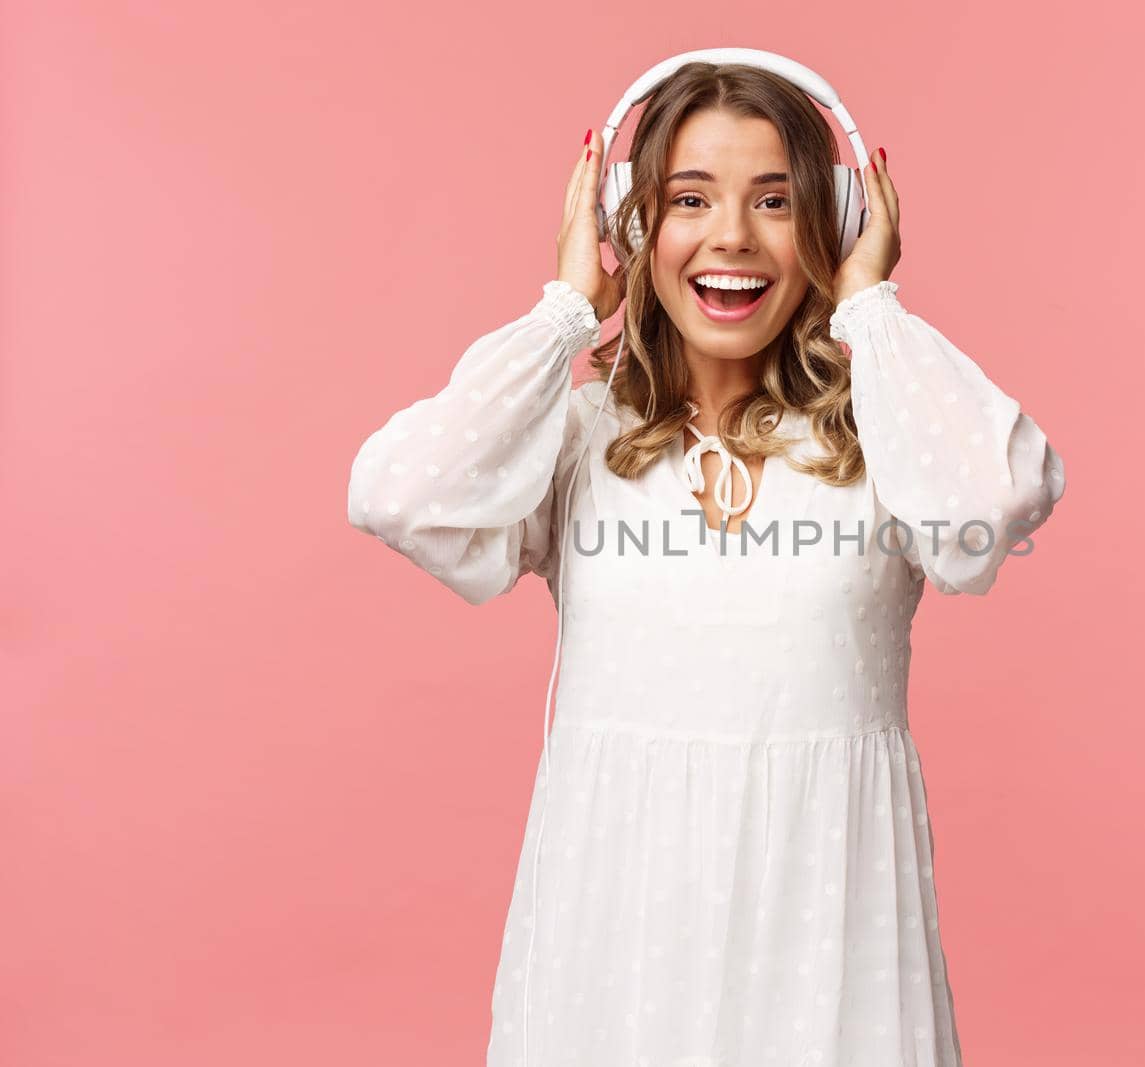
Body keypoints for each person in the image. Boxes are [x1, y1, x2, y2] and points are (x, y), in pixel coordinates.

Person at [347, 61, 1065, 1067]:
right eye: (689, 199)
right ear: (632, 225)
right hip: (614, 948)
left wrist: (873, 309)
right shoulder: (581, 435)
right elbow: (398, 493)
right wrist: (563, 306)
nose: (731, 234)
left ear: (836, 222)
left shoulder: (883, 436)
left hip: (827, 938)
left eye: (775, 200)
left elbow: (992, 501)